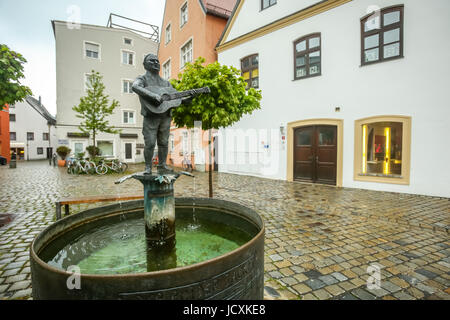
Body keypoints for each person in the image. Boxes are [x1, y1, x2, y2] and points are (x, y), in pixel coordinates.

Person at [132, 54, 192, 174]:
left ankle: (162, 165)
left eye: (157, 61)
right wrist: (153, 95)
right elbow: (135, 86)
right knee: (149, 143)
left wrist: (186, 100)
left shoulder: (166, 83)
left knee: (164, 142)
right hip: (150, 117)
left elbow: (173, 100)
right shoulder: (142, 79)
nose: (155, 63)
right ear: (144, 65)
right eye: (151, 60)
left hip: (165, 117)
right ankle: (148, 167)